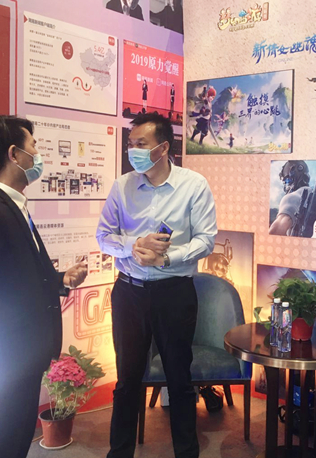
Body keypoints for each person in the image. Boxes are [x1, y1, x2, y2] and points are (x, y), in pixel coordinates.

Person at [0, 116, 88, 458]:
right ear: (14, 154)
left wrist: (61, 279)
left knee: (14, 440)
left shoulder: (13, 205)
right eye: (34, 147)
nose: (38, 154)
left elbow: (19, 274)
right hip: (4, 358)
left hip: (23, 354)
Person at [96, 112, 217, 458]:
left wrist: (165, 259)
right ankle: (119, 453)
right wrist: (133, 245)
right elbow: (103, 236)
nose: (132, 151)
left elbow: (206, 240)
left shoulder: (193, 185)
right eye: (131, 144)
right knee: (126, 380)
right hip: (129, 292)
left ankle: (186, 453)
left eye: (141, 144)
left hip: (173, 293)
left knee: (179, 379)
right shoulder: (122, 186)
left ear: (163, 148)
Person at [269, 160, 316, 237]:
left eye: (287, 181)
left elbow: (274, 232)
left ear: (292, 178)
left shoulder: (292, 197)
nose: (286, 185)